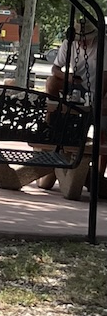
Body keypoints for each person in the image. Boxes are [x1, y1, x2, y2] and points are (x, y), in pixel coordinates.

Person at [35, 20, 105, 195]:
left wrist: (98, 99)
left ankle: (97, 175)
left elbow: (105, 78)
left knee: (102, 128)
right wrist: (68, 78)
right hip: (75, 86)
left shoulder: (103, 46)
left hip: (97, 90)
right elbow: (55, 69)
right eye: (79, 40)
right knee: (52, 82)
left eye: (85, 39)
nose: (82, 43)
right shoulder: (69, 44)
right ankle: (51, 120)